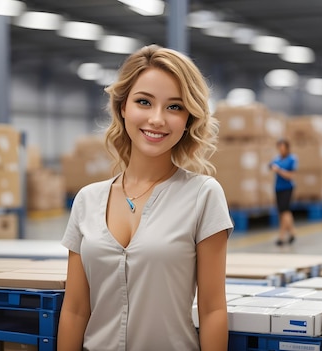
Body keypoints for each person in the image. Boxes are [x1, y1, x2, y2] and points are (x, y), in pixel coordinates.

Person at [57, 45, 233, 351]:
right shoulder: (87, 200)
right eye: (144, 102)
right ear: (123, 107)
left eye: (174, 107)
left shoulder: (203, 196)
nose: (157, 119)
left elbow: (213, 309)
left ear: (189, 117)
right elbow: (75, 310)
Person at [270, 138, 297, 246]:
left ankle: (282, 236)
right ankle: (291, 233)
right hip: (278, 188)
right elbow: (270, 166)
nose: (281, 149)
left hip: (287, 187)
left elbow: (291, 175)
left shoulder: (292, 159)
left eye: (283, 147)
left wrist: (279, 171)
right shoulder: (276, 159)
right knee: (281, 212)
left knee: (285, 211)